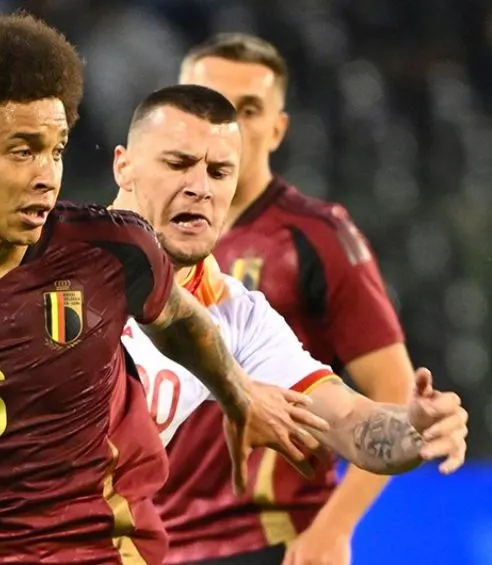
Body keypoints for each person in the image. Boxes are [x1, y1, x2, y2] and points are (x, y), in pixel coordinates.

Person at [0, 85, 469, 565]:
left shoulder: (235, 318)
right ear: (123, 165)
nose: (200, 186)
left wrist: (415, 430)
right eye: (179, 163)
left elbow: (350, 424)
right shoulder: (45, 248)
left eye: (220, 171)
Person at [0, 15, 322, 565]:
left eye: (57, 150)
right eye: (23, 151)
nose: (47, 175)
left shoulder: (112, 249)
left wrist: (237, 395)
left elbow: (180, 317)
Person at [163, 33, 434, 564]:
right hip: (152, 540)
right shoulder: (141, 242)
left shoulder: (315, 237)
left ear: (278, 128)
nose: (228, 125)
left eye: (247, 109)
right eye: (210, 104)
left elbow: (393, 391)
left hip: (267, 538)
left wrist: (332, 529)